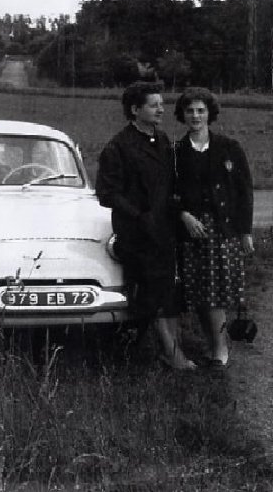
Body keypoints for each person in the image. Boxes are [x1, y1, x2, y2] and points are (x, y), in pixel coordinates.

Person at [96, 81, 196, 370]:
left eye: (161, 104)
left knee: (167, 290)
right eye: (154, 105)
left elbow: (170, 185)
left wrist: (178, 212)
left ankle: (163, 350)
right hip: (136, 235)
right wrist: (140, 216)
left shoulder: (162, 140)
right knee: (151, 293)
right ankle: (166, 353)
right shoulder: (118, 146)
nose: (161, 109)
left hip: (163, 231)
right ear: (135, 109)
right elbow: (106, 193)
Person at [173, 87, 254, 367]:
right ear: (182, 115)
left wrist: (245, 232)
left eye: (201, 110)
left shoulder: (229, 147)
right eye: (190, 111)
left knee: (216, 293)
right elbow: (169, 192)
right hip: (192, 232)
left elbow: (244, 192)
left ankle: (220, 349)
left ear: (210, 113)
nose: (195, 116)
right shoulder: (176, 152)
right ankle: (211, 344)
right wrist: (183, 215)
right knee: (198, 292)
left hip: (222, 230)